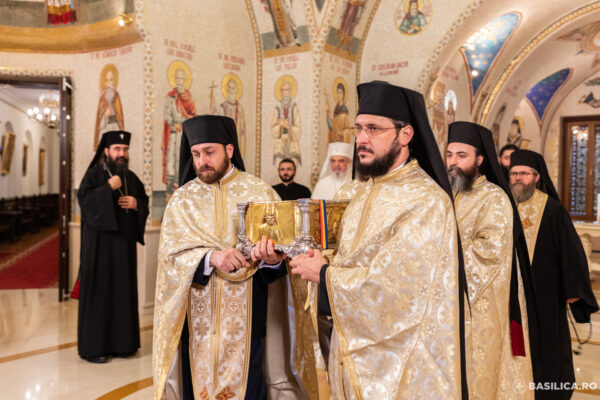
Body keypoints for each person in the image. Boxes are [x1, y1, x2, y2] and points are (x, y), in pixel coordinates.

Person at [290, 81, 467, 399]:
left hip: (401, 372)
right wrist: (309, 258)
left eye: (374, 129)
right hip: (352, 360)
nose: (361, 139)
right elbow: (342, 257)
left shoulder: (426, 201)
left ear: (405, 134)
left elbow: (395, 290)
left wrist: (325, 275)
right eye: (359, 128)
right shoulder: (358, 193)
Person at [153, 115, 290, 400]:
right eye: (195, 154)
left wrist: (273, 260)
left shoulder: (261, 193)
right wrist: (210, 258)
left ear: (229, 149)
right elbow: (169, 262)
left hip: (248, 319)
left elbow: (282, 261)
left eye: (209, 152)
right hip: (196, 321)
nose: (202, 161)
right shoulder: (182, 200)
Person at [447, 122, 540, 399]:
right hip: (449, 303)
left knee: (478, 377)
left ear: (480, 159)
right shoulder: (447, 194)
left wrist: (440, 257)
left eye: (461, 155)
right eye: (449, 155)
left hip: (480, 307)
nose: (453, 162)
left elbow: (489, 252)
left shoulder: (495, 198)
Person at [510, 150, 599, 399]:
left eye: (524, 173)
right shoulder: (504, 206)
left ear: (537, 177)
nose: (518, 178)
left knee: (547, 347)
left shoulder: (552, 209)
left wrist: (572, 289)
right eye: (514, 173)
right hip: (512, 292)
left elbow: (571, 252)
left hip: (545, 293)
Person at [77, 130, 149, 364]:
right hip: (99, 248)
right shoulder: (93, 175)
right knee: (99, 294)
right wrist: (108, 187)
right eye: (117, 149)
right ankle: (94, 348)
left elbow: (144, 202)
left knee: (122, 293)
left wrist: (136, 204)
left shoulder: (132, 178)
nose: (122, 154)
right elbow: (85, 203)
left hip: (123, 248)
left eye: (125, 149)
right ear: (106, 151)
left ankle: (124, 345)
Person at [163, 68, 197, 196]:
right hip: (173, 135)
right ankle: (169, 193)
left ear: (185, 80)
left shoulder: (189, 98)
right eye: (177, 78)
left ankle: (181, 193)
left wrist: (183, 125)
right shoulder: (170, 97)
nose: (179, 81)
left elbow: (193, 117)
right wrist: (174, 124)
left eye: (181, 78)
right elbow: (166, 114)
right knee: (171, 163)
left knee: (182, 163)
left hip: (185, 137)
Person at [272, 80, 302, 167]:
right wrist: (280, 126)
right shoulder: (277, 108)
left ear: (290, 91)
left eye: (287, 90)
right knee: (278, 149)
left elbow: (298, 129)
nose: (285, 93)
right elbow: (273, 129)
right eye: (283, 90)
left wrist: (287, 126)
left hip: (292, 139)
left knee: (294, 151)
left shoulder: (294, 106)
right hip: (280, 138)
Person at [93, 67, 124, 150]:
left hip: (114, 122)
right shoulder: (102, 96)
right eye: (106, 80)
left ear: (114, 81)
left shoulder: (116, 95)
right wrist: (105, 111)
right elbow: (100, 113)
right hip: (104, 123)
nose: (109, 83)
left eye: (111, 80)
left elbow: (118, 112)